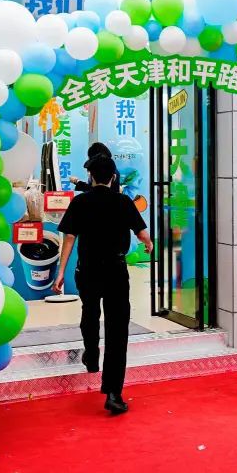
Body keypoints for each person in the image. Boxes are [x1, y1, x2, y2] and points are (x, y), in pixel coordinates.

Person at [53, 155, 152, 414]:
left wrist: (60, 272)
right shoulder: (123, 201)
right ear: (113, 177)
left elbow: (69, 238)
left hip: (88, 269)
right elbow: (142, 233)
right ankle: (113, 393)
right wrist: (148, 244)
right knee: (117, 328)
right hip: (116, 270)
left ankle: (91, 353)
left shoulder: (80, 202)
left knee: (89, 311)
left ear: (91, 176)